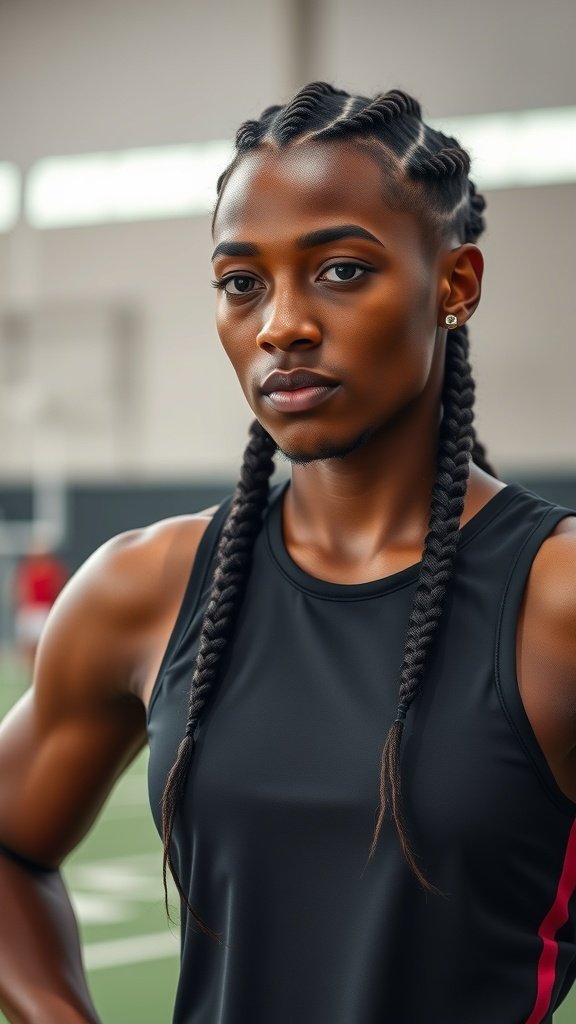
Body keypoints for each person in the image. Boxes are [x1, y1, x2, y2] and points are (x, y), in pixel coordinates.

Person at [0, 82, 575, 1024]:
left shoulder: (555, 598)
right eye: (241, 282)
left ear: (455, 285)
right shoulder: (144, 588)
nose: (281, 325)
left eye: (341, 270)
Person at [12, 540, 69, 670]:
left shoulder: (52, 570)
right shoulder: (26, 570)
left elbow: (57, 589)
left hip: (44, 611)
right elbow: (20, 591)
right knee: (29, 648)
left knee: (43, 646)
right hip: (30, 611)